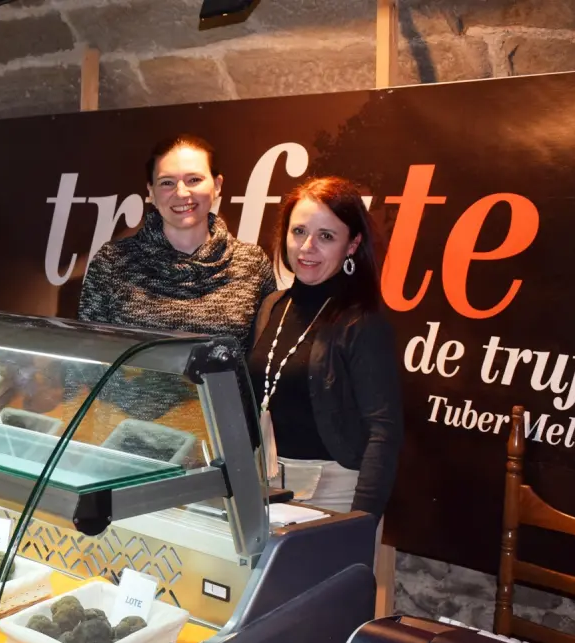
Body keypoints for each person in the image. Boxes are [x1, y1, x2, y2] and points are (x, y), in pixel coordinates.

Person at [247, 176, 403, 522]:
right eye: (299, 231)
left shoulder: (362, 322)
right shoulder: (273, 307)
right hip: (264, 485)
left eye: (326, 236)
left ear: (352, 245)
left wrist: (361, 521)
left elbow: (383, 431)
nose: (307, 247)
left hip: (335, 496)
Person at [77, 134, 276, 350]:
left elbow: (266, 359)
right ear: (151, 192)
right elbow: (88, 354)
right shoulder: (112, 262)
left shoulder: (252, 263)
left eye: (194, 180)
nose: (181, 193)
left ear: (217, 185)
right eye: (167, 183)